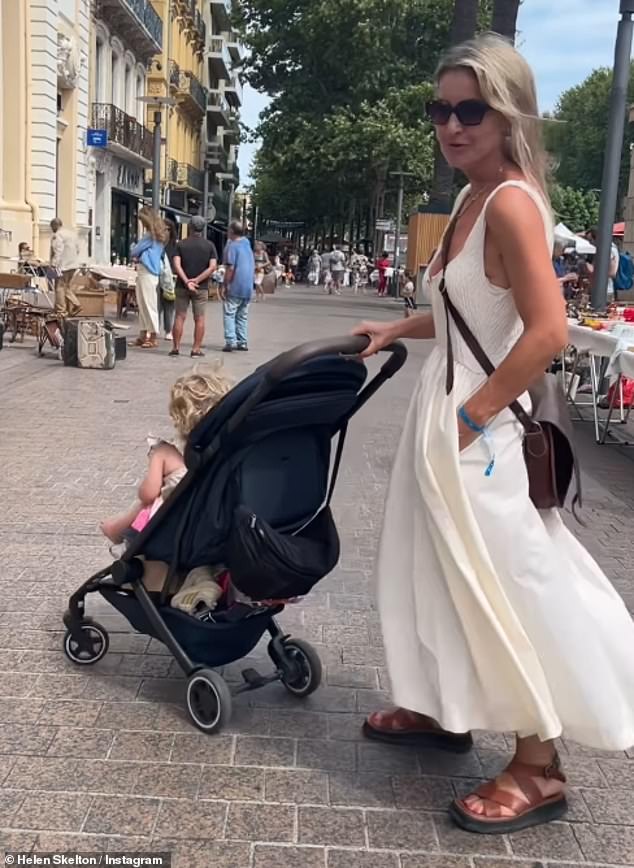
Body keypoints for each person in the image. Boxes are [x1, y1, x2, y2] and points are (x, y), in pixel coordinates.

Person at [352, 33, 634, 835]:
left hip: (478, 430)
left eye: (469, 108)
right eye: (439, 109)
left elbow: (546, 332)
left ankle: (539, 766)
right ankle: (447, 712)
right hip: (447, 418)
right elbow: (463, 313)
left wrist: (475, 418)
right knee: (437, 571)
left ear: (508, 114)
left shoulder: (509, 201)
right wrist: (396, 328)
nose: (450, 123)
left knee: (507, 579)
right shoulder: (470, 200)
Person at [100, 362, 232, 559]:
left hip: (169, 534)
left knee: (150, 503)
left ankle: (115, 529)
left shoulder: (165, 452)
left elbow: (148, 494)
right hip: (210, 531)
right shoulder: (225, 453)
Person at [170, 215, 217, 358]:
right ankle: (196, 349)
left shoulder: (181, 245)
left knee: (179, 316)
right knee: (200, 318)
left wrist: (186, 281)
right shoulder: (209, 246)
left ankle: (176, 348)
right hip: (201, 287)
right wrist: (197, 280)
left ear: (190, 227)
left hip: (181, 286)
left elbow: (176, 265)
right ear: (203, 229)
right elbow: (212, 267)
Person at [130, 207, 167, 348]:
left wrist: (138, 251)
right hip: (148, 272)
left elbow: (135, 250)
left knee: (147, 304)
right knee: (144, 303)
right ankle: (144, 333)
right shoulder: (158, 236)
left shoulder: (149, 236)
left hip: (147, 271)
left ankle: (151, 335)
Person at [222, 220, 255, 352]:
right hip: (248, 285)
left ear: (231, 231)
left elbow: (230, 267)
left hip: (236, 283)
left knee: (229, 313)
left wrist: (226, 284)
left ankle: (230, 341)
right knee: (242, 314)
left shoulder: (233, 246)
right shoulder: (247, 244)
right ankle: (242, 341)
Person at [49, 218, 81, 317]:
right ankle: (76, 304)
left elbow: (58, 250)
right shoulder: (72, 234)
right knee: (65, 286)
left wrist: (54, 264)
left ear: (55, 225)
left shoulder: (58, 235)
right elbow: (78, 249)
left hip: (62, 266)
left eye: (52, 227)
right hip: (73, 265)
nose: (51, 229)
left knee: (59, 287)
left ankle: (61, 311)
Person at [161, 220, 178, 341]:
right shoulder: (158, 244)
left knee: (168, 304)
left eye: (167, 229)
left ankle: (168, 330)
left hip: (171, 278)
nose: (165, 231)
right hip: (158, 276)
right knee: (156, 305)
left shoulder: (176, 245)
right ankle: (152, 330)